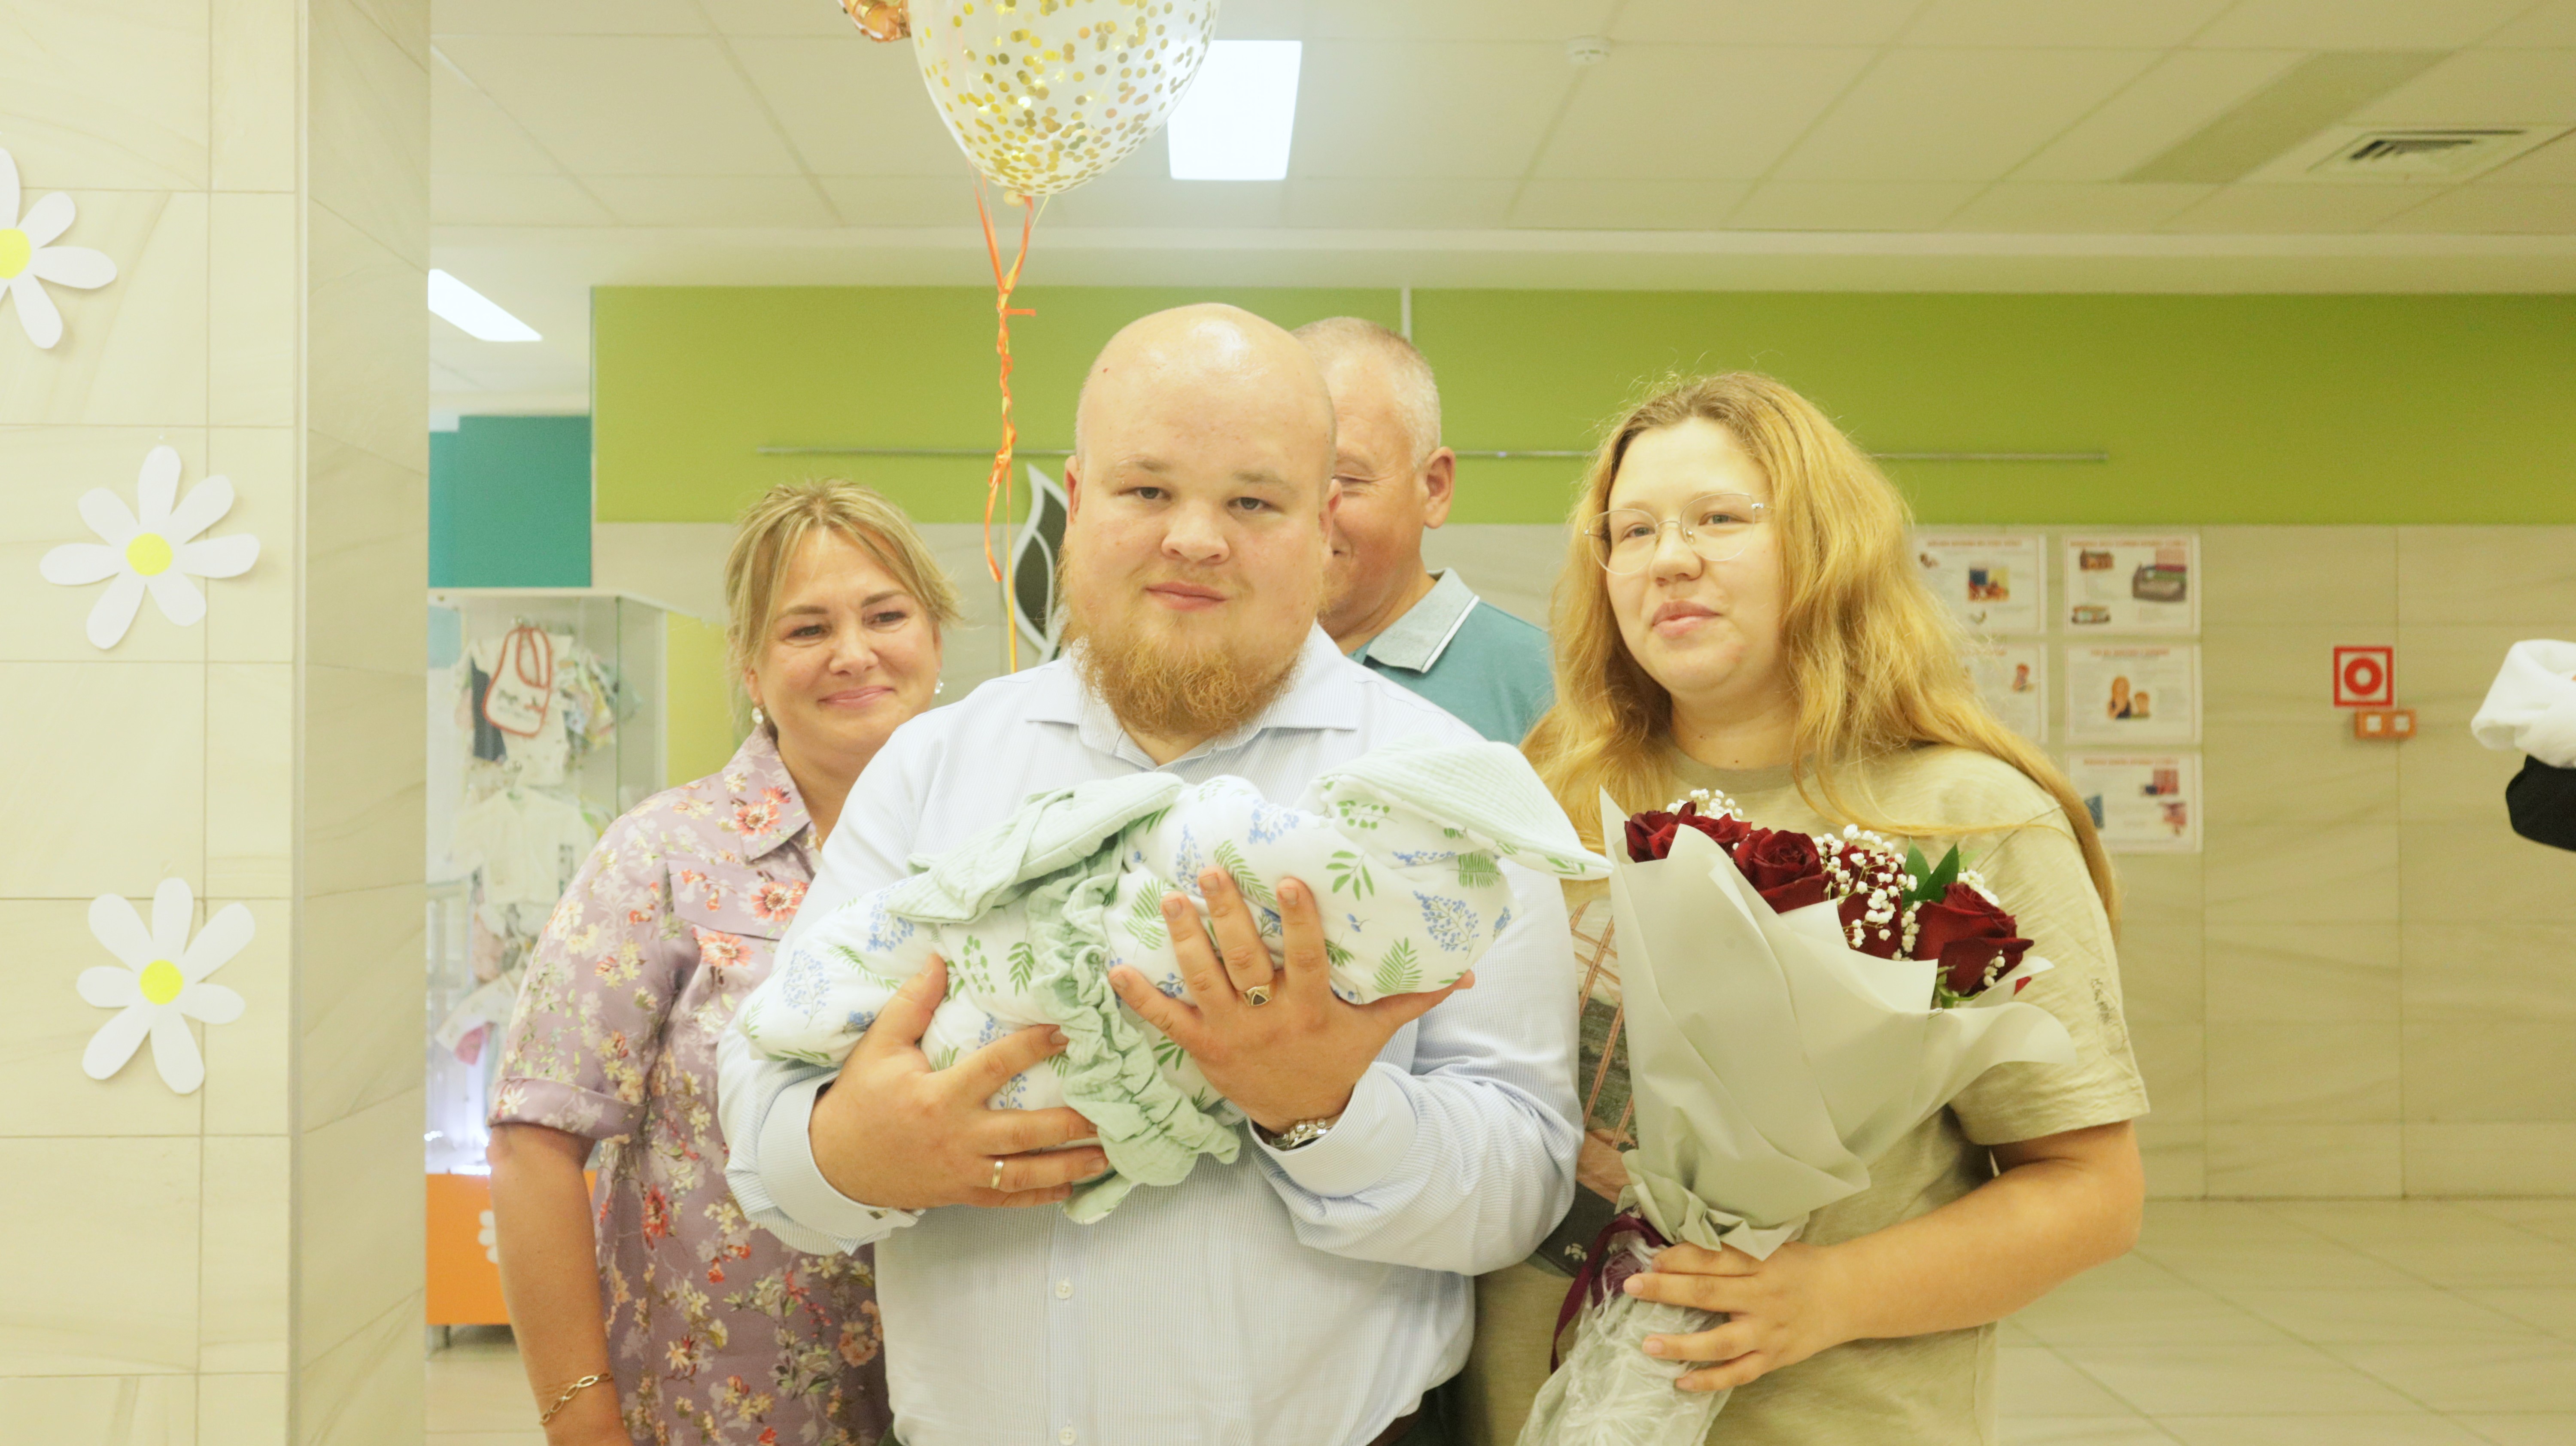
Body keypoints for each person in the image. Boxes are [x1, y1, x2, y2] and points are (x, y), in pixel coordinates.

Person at [717, 304, 1581, 1446]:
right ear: (1079, 502)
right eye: (1148, 490)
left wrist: (1322, 1109)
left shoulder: (1443, 795)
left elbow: (1525, 1181)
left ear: (1322, 526)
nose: (1196, 538)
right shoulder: (932, 767)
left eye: (1253, 502)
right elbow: (765, 1084)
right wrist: (849, 1152)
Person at [1466, 373, 2147, 1445]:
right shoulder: (1546, 794)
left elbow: (2090, 1192)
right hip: (1522, 1406)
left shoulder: (1968, 818)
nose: (1669, 558)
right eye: (1633, 530)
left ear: (1828, 546)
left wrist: (1829, 1293)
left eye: (1720, 518)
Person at [487, 481, 960, 1446]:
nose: (854, 653)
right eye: (807, 628)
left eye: (885, 615)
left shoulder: (996, 846)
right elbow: (535, 1140)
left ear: (935, 637)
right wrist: (581, 1419)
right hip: (723, 1410)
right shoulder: (665, 854)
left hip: (968, 1401)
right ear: (751, 664)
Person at [1295, 316, 1555, 744]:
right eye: (1269, 485)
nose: (1307, 514)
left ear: (1434, 487)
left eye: (1345, 479)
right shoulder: (1222, 670)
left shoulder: (1549, 687)